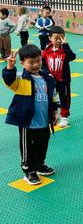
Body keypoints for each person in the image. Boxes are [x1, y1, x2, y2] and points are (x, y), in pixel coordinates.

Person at [2, 45, 59, 185]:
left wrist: (55, 111)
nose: (35, 65)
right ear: (22, 63)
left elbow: (53, 95)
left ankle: (39, 164)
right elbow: (9, 80)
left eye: (38, 61)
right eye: (31, 62)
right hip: (28, 122)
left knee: (42, 144)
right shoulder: (21, 78)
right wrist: (10, 67)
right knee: (27, 147)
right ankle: (29, 171)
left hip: (44, 120)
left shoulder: (48, 77)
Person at [42, 26, 76, 128]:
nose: (58, 41)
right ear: (50, 38)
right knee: (50, 98)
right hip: (51, 80)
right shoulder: (46, 51)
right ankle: (52, 116)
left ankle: (64, 117)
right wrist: (47, 72)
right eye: (56, 38)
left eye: (61, 38)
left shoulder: (65, 50)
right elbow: (43, 64)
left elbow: (72, 57)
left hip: (63, 80)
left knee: (64, 98)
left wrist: (66, 45)